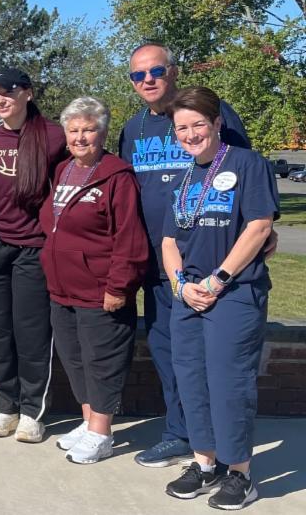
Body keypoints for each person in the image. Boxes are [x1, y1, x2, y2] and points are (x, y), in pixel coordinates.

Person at [118, 43, 252, 469]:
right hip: (162, 266)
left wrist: (259, 232)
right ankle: (183, 434)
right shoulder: (132, 130)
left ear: (172, 71)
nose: (148, 80)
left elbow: (246, 172)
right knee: (171, 355)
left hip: (214, 261)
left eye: (155, 71)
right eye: (138, 75)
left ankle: (220, 444)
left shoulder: (210, 113)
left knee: (216, 359)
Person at [161, 87, 277, 510]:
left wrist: (217, 280)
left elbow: (260, 227)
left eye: (197, 125)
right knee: (191, 381)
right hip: (188, 295)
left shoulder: (248, 164)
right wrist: (180, 284)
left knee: (229, 384)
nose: (190, 134)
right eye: (181, 128)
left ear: (216, 124)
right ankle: (204, 463)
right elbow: (170, 239)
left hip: (233, 294)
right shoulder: (186, 175)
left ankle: (240, 474)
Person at [40, 97, 147, 464]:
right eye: (74, 130)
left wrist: (119, 286)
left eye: (88, 129)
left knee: (102, 360)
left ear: (102, 132)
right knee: (74, 359)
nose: (80, 137)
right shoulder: (63, 170)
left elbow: (129, 238)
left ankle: (102, 433)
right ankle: (88, 424)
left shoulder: (118, 176)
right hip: (62, 286)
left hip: (100, 288)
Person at [0, 68, 66, 443]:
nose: (0, 100)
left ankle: (31, 411)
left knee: (31, 332)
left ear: (27, 93)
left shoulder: (54, 136)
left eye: (8, 91)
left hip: (34, 247)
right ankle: (5, 406)